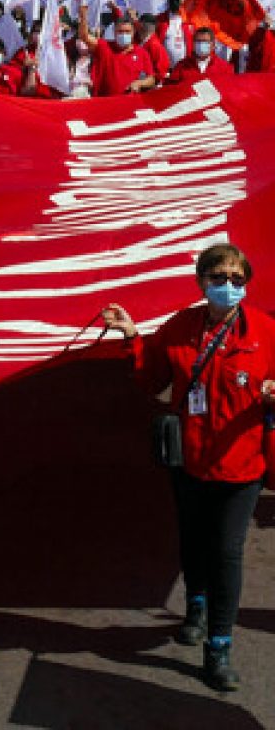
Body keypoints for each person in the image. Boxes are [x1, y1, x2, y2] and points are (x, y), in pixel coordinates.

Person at [102, 243, 275, 692]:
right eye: (219, 278)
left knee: (227, 552)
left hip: (242, 467)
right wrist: (131, 338)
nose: (229, 287)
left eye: (238, 279)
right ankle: (196, 607)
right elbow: (151, 379)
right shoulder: (179, 327)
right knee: (194, 541)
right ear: (201, 281)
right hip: (190, 461)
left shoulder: (266, 333)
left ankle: (218, 647)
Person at [79, 8, 157, 96]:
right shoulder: (104, 47)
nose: (124, 35)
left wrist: (139, 83)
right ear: (114, 32)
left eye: (127, 32)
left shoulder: (142, 53)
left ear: (133, 32)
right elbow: (84, 36)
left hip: (130, 103)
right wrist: (83, 16)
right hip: (105, 102)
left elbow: (151, 79)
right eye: (120, 32)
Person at [165, 27, 234, 87]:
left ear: (213, 45)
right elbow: (170, 90)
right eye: (198, 41)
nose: (201, 44)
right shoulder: (181, 66)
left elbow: (229, 91)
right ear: (193, 44)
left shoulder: (225, 68)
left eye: (205, 41)